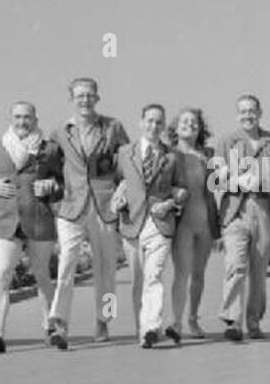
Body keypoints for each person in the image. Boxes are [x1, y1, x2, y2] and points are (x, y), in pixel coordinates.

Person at [48, 78, 130, 349]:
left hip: (104, 205)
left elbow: (128, 163)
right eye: (80, 96)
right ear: (71, 98)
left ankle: (103, 321)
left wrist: (123, 188)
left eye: (90, 95)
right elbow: (49, 166)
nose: (85, 100)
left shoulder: (113, 127)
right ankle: (59, 322)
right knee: (66, 264)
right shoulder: (60, 131)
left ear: (98, 98)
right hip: (71, 206)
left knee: (106, 268)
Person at [0, 101, 64, 353]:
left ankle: (51, 327)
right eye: (17, 117)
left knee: (41, 274)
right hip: (5, 220)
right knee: (2, 273)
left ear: (35, 119)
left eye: (27, 117)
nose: (22, 122)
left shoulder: (49, 149)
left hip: (38, 218)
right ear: (10, 119)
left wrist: (52, 187)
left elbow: (62, 183)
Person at [110, 104, 187, 349]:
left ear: (164, 126)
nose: (154, 126)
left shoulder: (173, 156)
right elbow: (117, 180)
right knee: (138, 281)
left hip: (160, 223)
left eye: (159, 122)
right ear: (141, 123)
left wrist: (170, 203)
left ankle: (151, 327)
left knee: (154, 276)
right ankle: (140, 328)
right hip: (132, 222)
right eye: (150, 121)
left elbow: (183, 190)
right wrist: (119, 194)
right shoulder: (124, 152)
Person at [213, 94, 270, 341]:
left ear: (260, 112)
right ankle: (232, 321)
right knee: (235, 266)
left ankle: (253, 322)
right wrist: (235, 179)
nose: (247, 115)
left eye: (252, 111)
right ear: (237, 114)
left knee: (259, 270)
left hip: (264, 208)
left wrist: (266, 178)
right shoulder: (227, 141)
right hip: (236, 210)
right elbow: (214, 177)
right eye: (242, 111)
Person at [168, 107, 220, 339]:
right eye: (185, 121)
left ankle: (193, 318)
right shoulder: (169, 154)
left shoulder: (208, 155)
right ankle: (176, 322)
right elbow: (159, 185)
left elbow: (216, 187)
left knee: (199, 274)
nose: (190, 125)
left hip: (205, 223)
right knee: (182, 273)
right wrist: (173, 191)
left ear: (200, 129)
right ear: (176, 128)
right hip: (182, 224)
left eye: (194, 122)